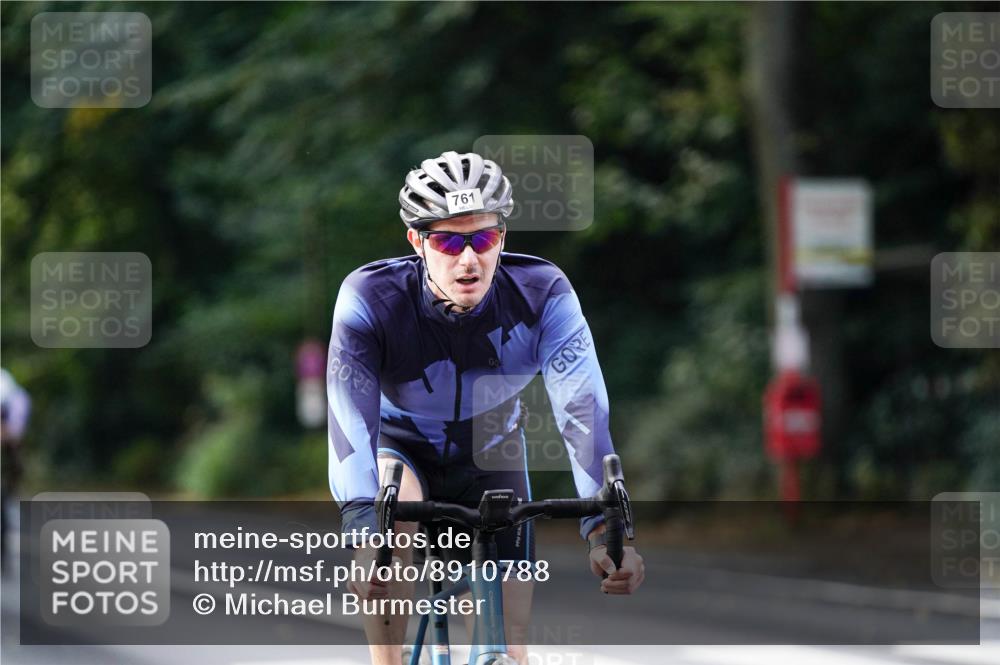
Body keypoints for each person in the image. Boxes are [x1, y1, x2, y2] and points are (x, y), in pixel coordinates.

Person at [327, 151, 644, 665]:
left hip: (491, 449)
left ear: (504, 237)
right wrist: (366, 530)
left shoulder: (543, 294)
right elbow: (349, 423)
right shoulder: (370, 297)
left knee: (506, 652)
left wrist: (606, 531)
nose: (468, 259)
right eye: (449, 241)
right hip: (399, 445)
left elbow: (582, 411)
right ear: (417, 242)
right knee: (391, 531)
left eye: (483, 238)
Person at [1, 368, 31, 575]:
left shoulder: (14, 396)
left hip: (8, 448)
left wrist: (8, 434)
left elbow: (13, 433)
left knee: (3, 500)